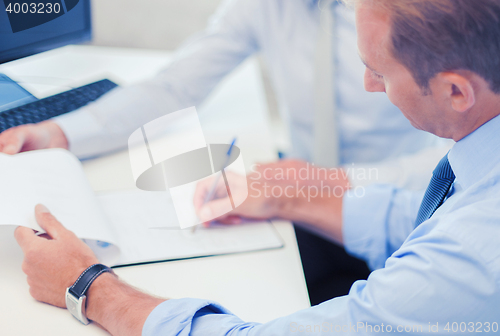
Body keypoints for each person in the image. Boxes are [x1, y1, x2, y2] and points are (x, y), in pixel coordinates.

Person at [15, 0, 500, 334]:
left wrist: (89, 287)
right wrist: (293, 195)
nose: (369, 84)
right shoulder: (475, 163)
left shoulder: (470, 253)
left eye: (378, 71)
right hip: (352, 202)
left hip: (373, 189)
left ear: (456, 92)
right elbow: (421, 216)